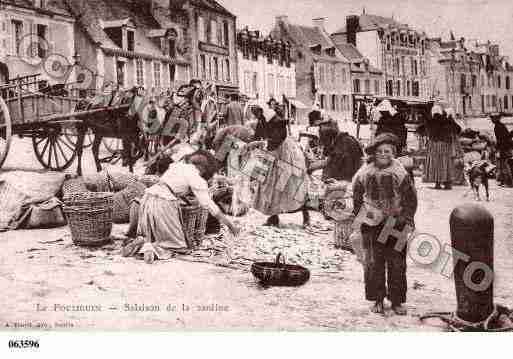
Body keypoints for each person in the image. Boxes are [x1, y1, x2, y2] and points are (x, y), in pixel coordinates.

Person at [122, 150, 239, 262]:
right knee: (177, 245)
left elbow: (174, 186)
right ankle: (152, 249)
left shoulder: (177, 166)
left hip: (147, 199)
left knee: (154, 235)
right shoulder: (197, 179)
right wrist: (229, 224)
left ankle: (143, 241)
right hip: (163, 203)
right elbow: (209, 205)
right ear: (203, 168)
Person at [353, 133, 418, 315]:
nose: (383, 154)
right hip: (371, 224)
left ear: (393, 153)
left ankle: (396, 300)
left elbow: (410, 198)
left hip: (395, 223)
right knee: (374, 263)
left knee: (397, 263)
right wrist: (360, 219)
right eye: (379, 151)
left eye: (387, 151)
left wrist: (407, 218)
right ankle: (377, 299)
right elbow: (357, 196)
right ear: (373, 153)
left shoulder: (400, 172)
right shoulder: (364, 173)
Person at [250, 105, 309, 227]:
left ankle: (305, 215)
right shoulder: (262, 120)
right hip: (271, 152)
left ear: (262, 111)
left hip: (284, 154)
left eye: (256, 113)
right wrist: (255, 144)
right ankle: (273, 217)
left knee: (290, 185)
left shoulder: (277, 121)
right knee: (270, 186)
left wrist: (262, 143)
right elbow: (258, 135)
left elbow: (278, 139)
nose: (255, 116)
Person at [423, 105, 461, 189]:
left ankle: (437, 183)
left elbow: (421, 130)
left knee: (435, 164)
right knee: (445, 163)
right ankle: (447, 183)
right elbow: (458, 129)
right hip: (445, 145)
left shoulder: (430, 121)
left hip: (433, 145)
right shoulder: (447, 120)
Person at [491, 114, 513, 187]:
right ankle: (504, 181)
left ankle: (509, 182)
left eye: (493, 118)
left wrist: (498, 149)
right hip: (505, 147)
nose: (492, 120)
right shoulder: (500, 126)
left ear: (497, 119)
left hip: (504, 148)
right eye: (492, 118)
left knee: (505, 166)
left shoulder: (498, 127)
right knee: (503, 165)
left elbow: (502, 139)